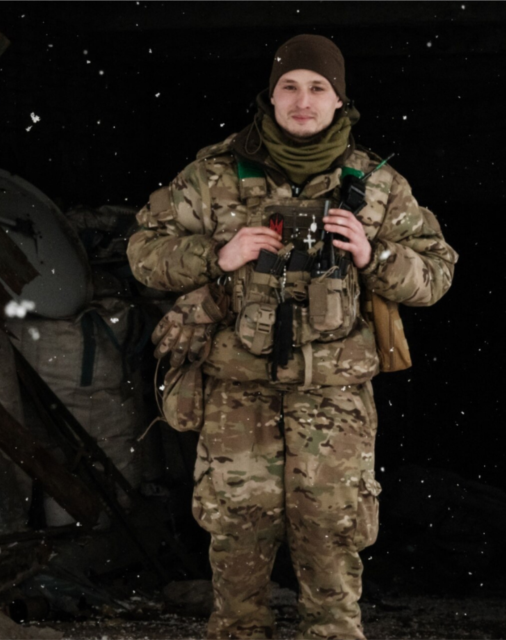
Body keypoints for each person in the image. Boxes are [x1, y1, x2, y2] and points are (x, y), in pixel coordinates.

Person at [127, 34, 457, 640]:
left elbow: (436, 273)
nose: (302, 101)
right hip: (236, 393)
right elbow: (144, 255)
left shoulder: (378, 184)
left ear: (338, 102)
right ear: (270, 96)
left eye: (317, 88)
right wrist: (217, 255)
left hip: (335, 400)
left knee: (332, 532)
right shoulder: (213, 175)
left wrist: (372, 252)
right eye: (290, 87)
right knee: (237, 532)